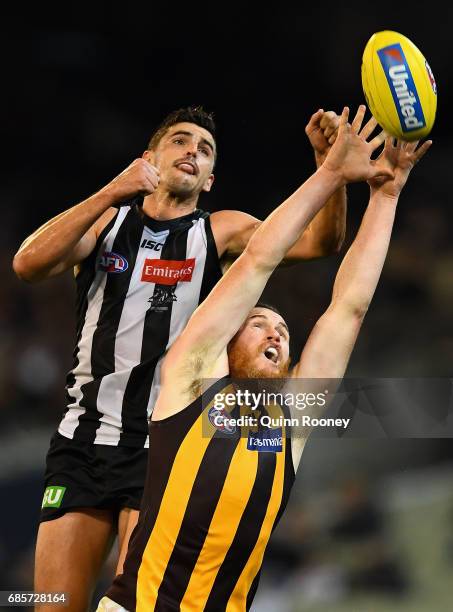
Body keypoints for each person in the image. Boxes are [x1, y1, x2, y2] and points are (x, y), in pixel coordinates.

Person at [99, 106, 431, 611]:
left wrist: (387, 194)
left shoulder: (290, 419)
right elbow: (260, 260)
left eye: (282, 331)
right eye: (258, 325)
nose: (276, 333)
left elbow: (349, 308)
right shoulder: (189, 382)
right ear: (226, 346)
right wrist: (329, 174)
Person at [12, 106, 345, 610]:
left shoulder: (220, 232)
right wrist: (110, 191)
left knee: (135, 602)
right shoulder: (107, 222)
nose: (193, 151)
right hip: (81, 441)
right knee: (52, 603)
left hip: (160, 447)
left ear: (211, 181)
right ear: (149, 158)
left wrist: (328, 170)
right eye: (181, 141)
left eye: (205, 150)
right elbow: (27, 264)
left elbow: (323, 242)